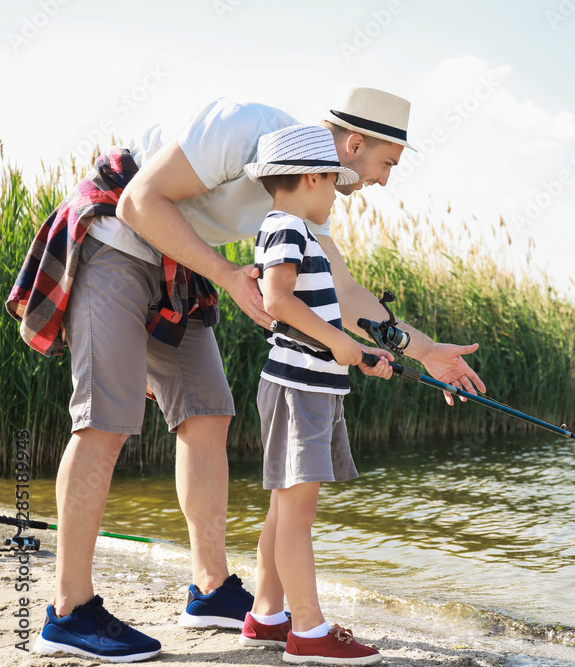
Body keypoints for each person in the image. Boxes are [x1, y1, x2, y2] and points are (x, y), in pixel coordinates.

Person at [13, 87, 486, 662]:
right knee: (106, 421)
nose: (385, 181)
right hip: (116, 241)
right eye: (387, 164)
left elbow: (341, 290)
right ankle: (69, 610)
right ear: (355, 143)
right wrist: (227, 274)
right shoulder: (246, 128)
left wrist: (425, 348)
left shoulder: (304, 198)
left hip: (179, 267)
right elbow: (140, 202)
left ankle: (211, 590)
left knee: (208, 411)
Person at [237, 124, 391, 665]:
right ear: (311, 177)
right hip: (298, 390)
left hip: (314, 385)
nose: (336, 196)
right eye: (332, 184)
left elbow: (316, 315)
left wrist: (361, 355)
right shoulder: (286, 229)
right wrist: (339, 341)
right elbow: (278, 302)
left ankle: (268, 615)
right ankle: (308, 631)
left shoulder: (296, 231)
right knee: (297, 514)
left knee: (285, 510)